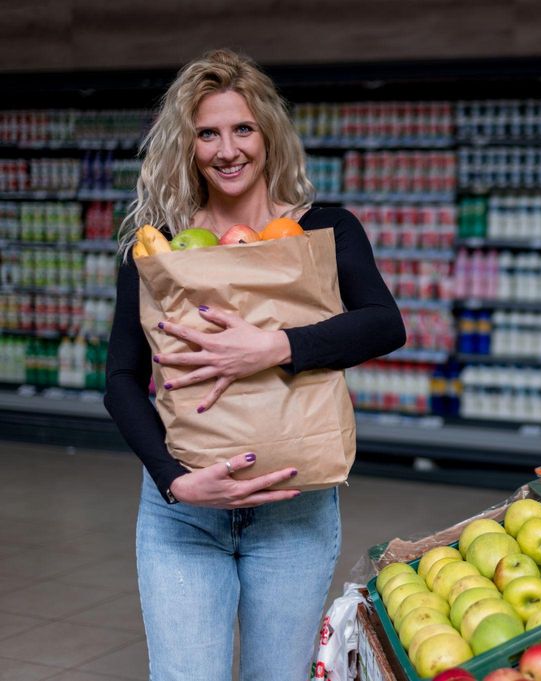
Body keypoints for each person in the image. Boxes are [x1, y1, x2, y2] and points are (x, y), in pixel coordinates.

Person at [104, 49, 406, 680]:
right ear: (187, 147)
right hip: (183, 509)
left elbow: (384, 323)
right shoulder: (158, 248)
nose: (227, 149)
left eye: (243, 128)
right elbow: (121, 381)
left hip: (292, 505)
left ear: (269, 133)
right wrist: (173, 479)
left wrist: (275, 347)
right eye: (207, 133)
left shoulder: (323, 230)